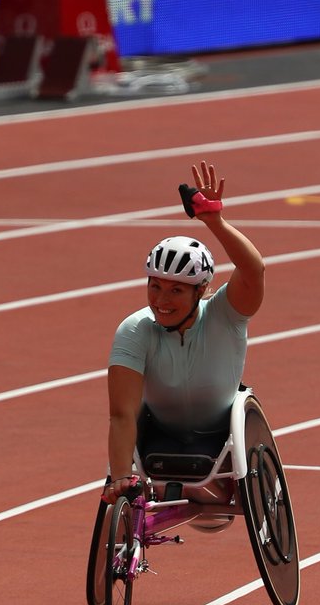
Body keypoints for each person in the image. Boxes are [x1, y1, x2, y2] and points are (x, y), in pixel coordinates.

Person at [102, 162, 265, 504]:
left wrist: (215, 222)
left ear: (201, 290)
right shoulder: (135, 330)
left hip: (221, 438)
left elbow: (252, 269)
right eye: (155, 286)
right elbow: (122, 414)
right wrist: (119, 479)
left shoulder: (225, 314)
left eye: (176, 290)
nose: (161, 300)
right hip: (161, 436)